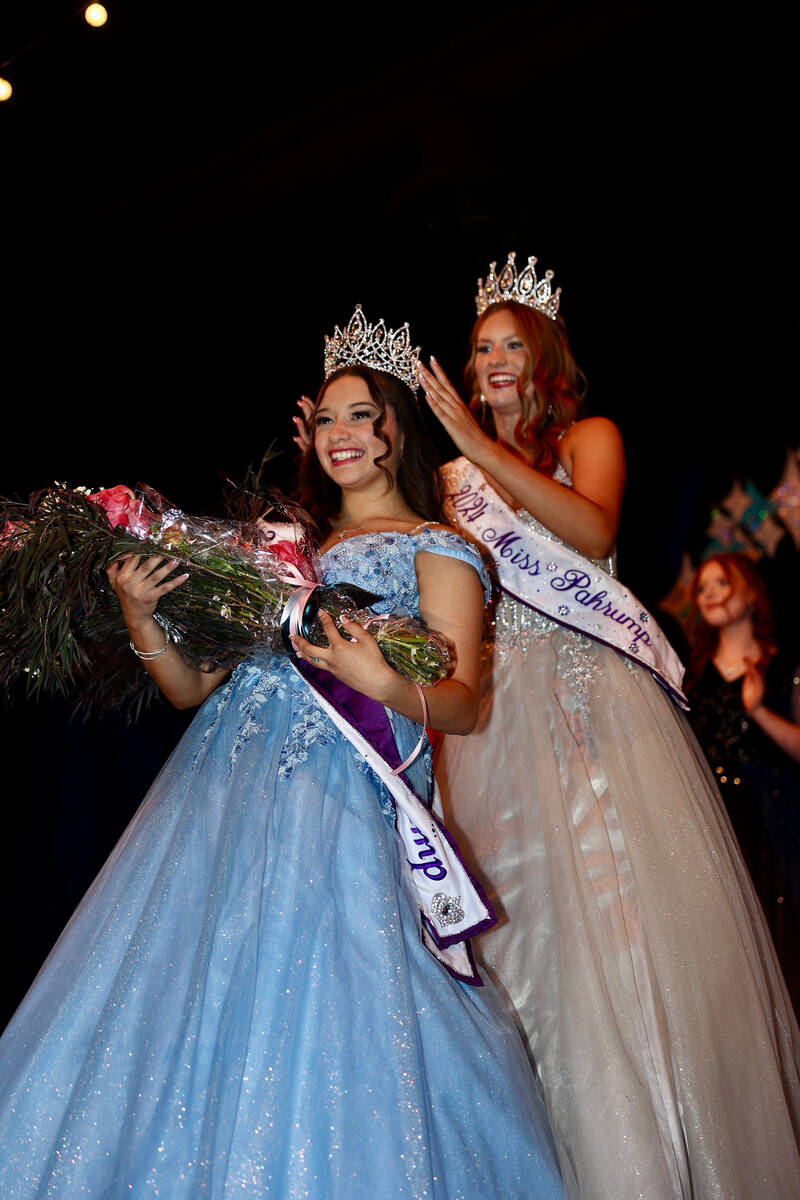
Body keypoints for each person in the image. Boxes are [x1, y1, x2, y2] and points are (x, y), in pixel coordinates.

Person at [0, 307, 565, 1199]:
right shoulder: (281, 552)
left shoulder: (439, 549)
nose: (342, 434)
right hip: (224, 797)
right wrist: (143, 616)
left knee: (337, 999)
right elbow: (192, 689)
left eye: (362, 416)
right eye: (328, 417)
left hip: (343, 804)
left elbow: (462, 704)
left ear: (397, 433)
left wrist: (377, 678)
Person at [417, 252, 800, 1199]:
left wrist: (483, 448)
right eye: (481, 348)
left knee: (625, 927)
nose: (493, 361)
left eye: (511, 345)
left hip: (595, 698)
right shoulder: (451, 479)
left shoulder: (590, 435)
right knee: (524, 938)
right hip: (499, 719)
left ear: (543, 357)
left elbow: (592, 535)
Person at [687, 551, 800, 1003]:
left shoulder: (783, 666)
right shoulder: (692, 677)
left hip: (777, 819)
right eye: (702, 587)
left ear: (751, 592)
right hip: (718, 819)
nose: (709, 594)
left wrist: (758, 711)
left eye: (721, 582)